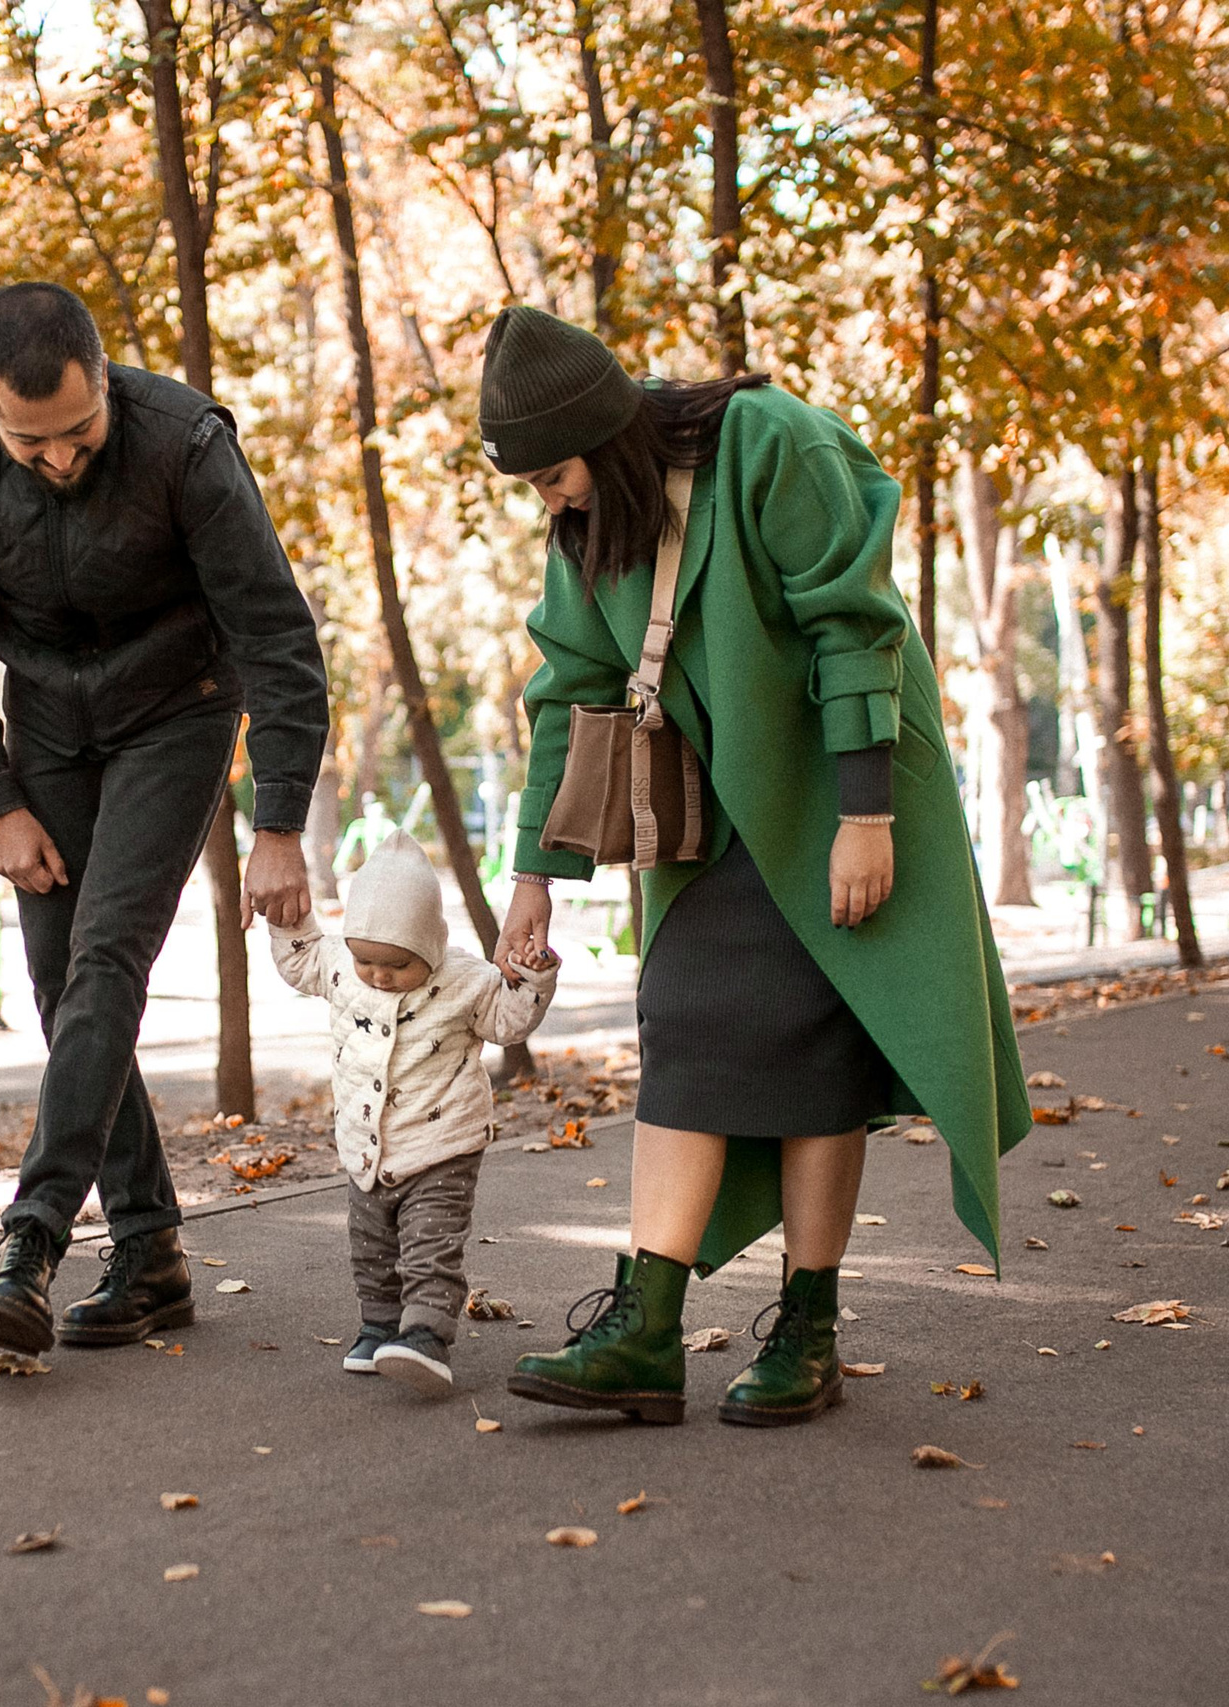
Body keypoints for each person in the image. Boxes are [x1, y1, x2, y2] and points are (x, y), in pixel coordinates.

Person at [479, 306, 1028, 1428]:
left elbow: (854, 624)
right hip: (712, 809)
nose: (549, 502)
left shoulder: (771, 440)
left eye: (552, 475)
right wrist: (534, 875)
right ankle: (644, 1334)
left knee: (816, 1042)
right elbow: (568, 692)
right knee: (681, 1018)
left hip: (842, 783)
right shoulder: (590, 527)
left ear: (603, 436)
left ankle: (808, 1333)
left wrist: (865, 815)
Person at [0, 281, 329, 1355]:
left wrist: (278, 820)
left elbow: (276, 634)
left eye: (78, 431)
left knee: (107, 958)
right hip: (47, 722)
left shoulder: (185, 444)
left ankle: (33, 1236)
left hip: (177, 710)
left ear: (105, 380)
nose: (57, 458)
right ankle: (149, 1252)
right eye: (29, 442)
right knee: (60, 980)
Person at [268, 833, 559, 1396]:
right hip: (365, 1146)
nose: (378, 975)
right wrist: (287, 919)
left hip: (443, 1145)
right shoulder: (339, 965)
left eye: (397, 965)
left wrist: (532, 976)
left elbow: (508, 1021)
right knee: (371, 1247)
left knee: (430, 1246)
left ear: (429, 946)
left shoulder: (465, 981)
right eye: (365, 961)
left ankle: (426, 1335)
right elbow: (300, 959)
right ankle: (379, 1327)